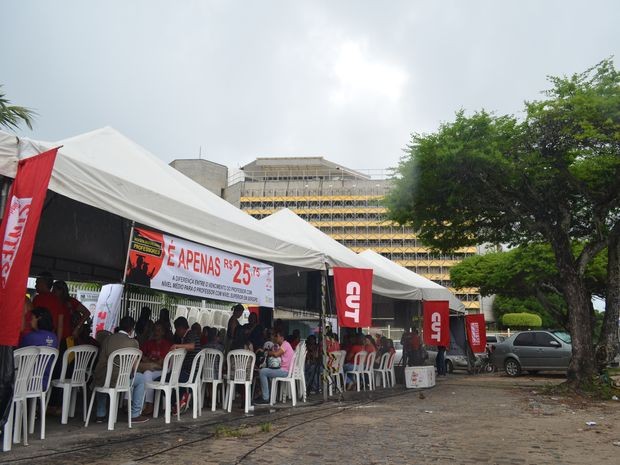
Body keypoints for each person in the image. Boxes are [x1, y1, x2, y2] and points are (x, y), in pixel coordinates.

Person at [92, 316, 149, 424]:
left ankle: (100, 414)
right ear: (132, 329)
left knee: (104, 376)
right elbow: (134, 367)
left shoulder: (108, 339)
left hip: (102, 379)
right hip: (121, 381)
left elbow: (101, 359)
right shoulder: (133, 343)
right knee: (141, 379)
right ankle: (135, 414)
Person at [19, 307, 59, 391]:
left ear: (39, 319)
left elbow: (18, 356)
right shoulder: (54, 338)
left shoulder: (31, 337)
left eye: (32, 318)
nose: (30, 321)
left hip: (26, 382)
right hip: (44, 382)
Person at [140, 322, 172, 415]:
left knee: (147, 373)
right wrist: (150, 363)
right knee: (143, 374)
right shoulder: (149, 343)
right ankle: (138, 404)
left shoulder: (166, 345)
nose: (156, 332)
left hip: (164, 371)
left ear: (163, 332)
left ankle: (149, 405)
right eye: (155, 330)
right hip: (152, 369)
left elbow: (161, 364)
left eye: (159, 330)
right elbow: (140, 354)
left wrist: (148, 362)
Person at [170, 316, 201, 413]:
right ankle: (180, 400)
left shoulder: (190, 334)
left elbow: (192, 346)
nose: (176, 332)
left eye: (177, 330)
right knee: (172, 377)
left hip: (190, 373)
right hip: (190, 372)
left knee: (165, 380)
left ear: (181, 328)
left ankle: (177, 402)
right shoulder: (188, 336)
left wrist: (177, 346)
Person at [255, 330, 294, 404]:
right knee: (267, 371)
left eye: (277, 336)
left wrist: (267, 352)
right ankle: (268, 395)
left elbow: (276, 354)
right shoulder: (285, 345)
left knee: (263, 372)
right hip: (285, 370)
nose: (276, 338)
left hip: (285, 371)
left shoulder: (285, 345)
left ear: (282, 338)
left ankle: (265, 398)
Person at [32, 272, 69, 341]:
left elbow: (31, 319)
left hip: (37, 337)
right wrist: (58, 344)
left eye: (37, 283)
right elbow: (60, 325)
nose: (35, 286)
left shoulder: (37, 299)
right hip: (51, 339)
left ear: (42, 283)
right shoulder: (57, 300)